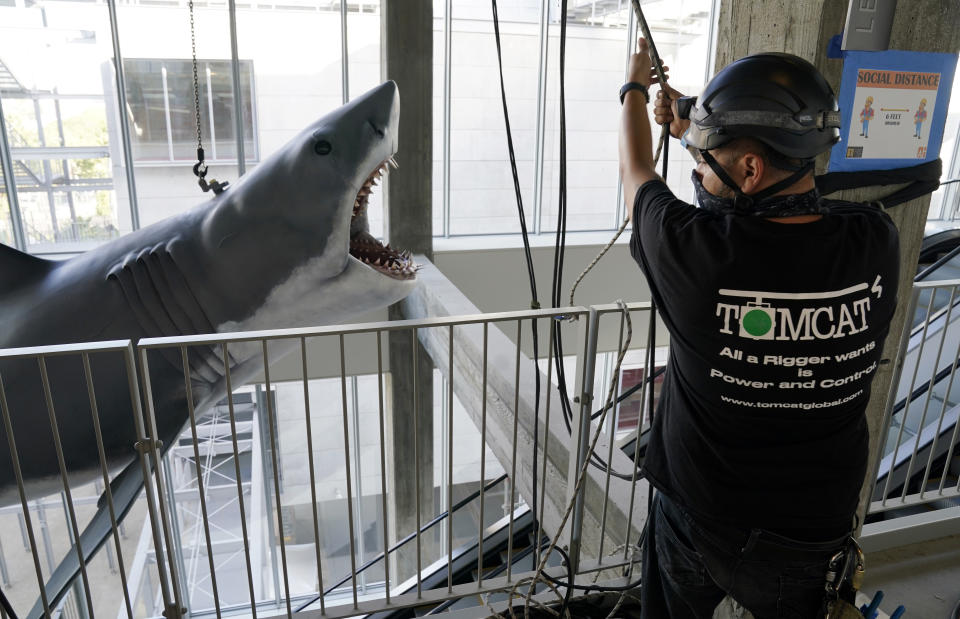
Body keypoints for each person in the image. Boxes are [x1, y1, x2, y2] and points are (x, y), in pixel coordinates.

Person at [619, 39, 900, 618]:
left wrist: (634, 87)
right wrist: (698, 123)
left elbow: (636, 171)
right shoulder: (875, 241)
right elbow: (805, 209)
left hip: (700, 515)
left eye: (704, 158)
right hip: (808, 533)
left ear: (749, 168)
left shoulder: (693, 253)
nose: (696, 169)